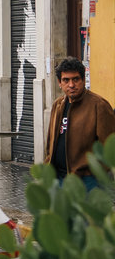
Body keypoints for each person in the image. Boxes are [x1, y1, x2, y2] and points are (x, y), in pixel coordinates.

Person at [43, 58, 115, 191]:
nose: (71, 85)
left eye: (75, 79)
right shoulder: (58, 105)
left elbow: (110, 146)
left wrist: (95, 175)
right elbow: (50, 142)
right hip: (58, 178)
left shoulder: (98, 105)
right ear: (59, 83)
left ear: (83, 80)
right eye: (66, 80)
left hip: (87, 181)